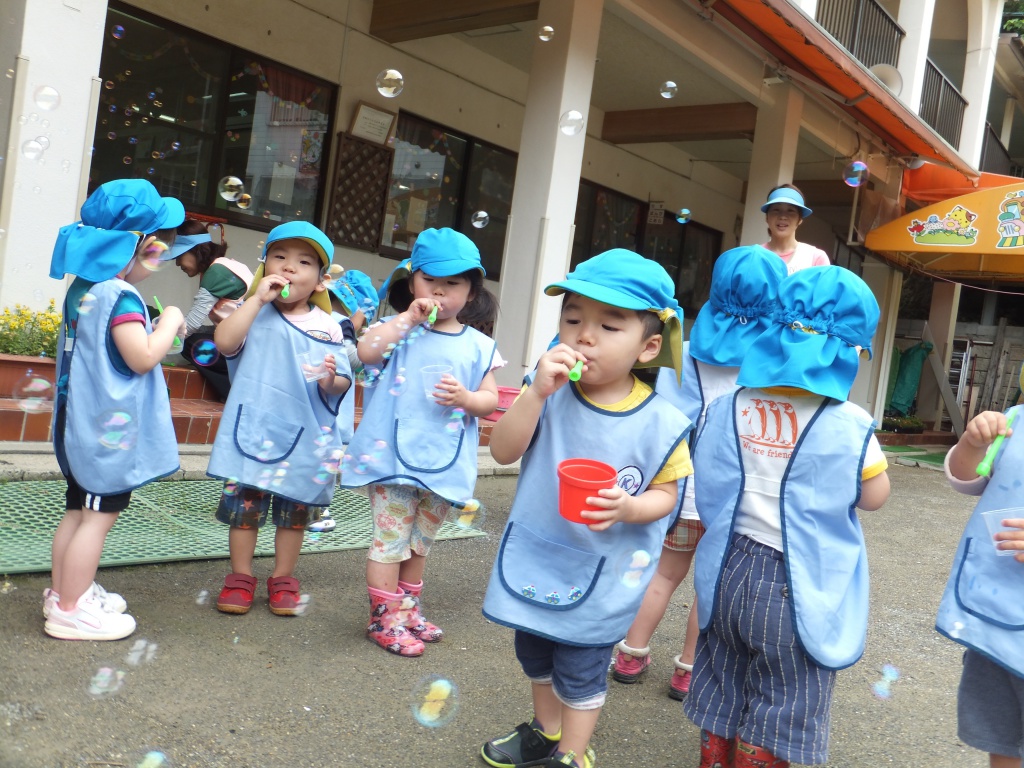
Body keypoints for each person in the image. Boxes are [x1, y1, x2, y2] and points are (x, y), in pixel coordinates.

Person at [481, 249, 693, 768]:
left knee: (580, 667)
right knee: (534, 651)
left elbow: (667, 497)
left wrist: (630, 507)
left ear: (648, 347)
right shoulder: (548, 393)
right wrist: (534, 393)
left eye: (609, 325)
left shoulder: (662, 422)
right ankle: (546, 730)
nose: (585, 336)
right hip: (538, 554)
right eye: (573, 319)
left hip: (603, 570)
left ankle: (572, 754)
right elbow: (503, 451)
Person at [683, 265, 890, 768]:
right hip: (794, 583)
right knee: (786, 693)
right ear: (848, 351)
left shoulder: (728, 405)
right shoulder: (851, 423)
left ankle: (716, 758)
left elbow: (707, 473)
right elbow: (874, 496)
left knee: (725, 675)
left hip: (727, 567)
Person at [612, 245, 788, 701]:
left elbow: (667, 422)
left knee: (662, 575)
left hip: (681, 492)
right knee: (709, 585)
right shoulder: (774, 361)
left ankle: (631, 653)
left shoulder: (685, 353)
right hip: (735, 498)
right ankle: (689, 670)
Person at [341, 227, 500, 657]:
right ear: (412, 282)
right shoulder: (396, 330)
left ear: (471, 293)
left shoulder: (480, 346)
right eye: (430, 280)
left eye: (453, 283)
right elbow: (366, 353)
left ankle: (407, 610)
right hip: (391, 458)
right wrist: (407, 319)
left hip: (442, 461)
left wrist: (467, 399)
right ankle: (384, 619)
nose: (439, 291)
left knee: (419, 542)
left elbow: (490, 400)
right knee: (390, 540)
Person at [44, 179, 186, 641]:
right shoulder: (119, 295)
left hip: (78, 424)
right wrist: (171, 321)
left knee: (77, 511)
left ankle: (65, 593)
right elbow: (142, 357)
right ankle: (70, 610)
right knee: (97, 517)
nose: (161, 256)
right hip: (104, 430)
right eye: (157, 248)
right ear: (133, 246)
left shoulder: (85, 287)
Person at [207, 221, 352, 616]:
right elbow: (224, 342)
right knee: (244, 512)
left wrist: (330, 379)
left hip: (305, 437)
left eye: (304, 262)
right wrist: (256, 299)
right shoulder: (250, 311)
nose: (289, 267)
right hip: (253, 429)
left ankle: (283, 577)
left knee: (294, 516)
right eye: (280, 257)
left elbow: (341, 383)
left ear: (320, 281)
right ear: (264, 266)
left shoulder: (328, 326)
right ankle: (240, 576)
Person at [939, 401, 1024, 768]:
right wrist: (972, 444)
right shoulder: (1015, 420)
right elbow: (965, 479)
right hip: (997, 614)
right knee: (1001, 734)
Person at [168, 219, 253, 400]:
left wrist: (161, 339)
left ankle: (232, 391)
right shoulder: (225, 265)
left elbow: (191, 325)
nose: (177, 264)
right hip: (247, 344)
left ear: (195, 250)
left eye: (179, 255)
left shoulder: (216, 273)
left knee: (191, 344)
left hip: (246, 350)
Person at [760, 184, 830, 274]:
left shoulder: (815, 258)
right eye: (776, 210)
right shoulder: (753, 257)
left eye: (790, 210)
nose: (783, 216)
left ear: (800, 219)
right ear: (767, 217)